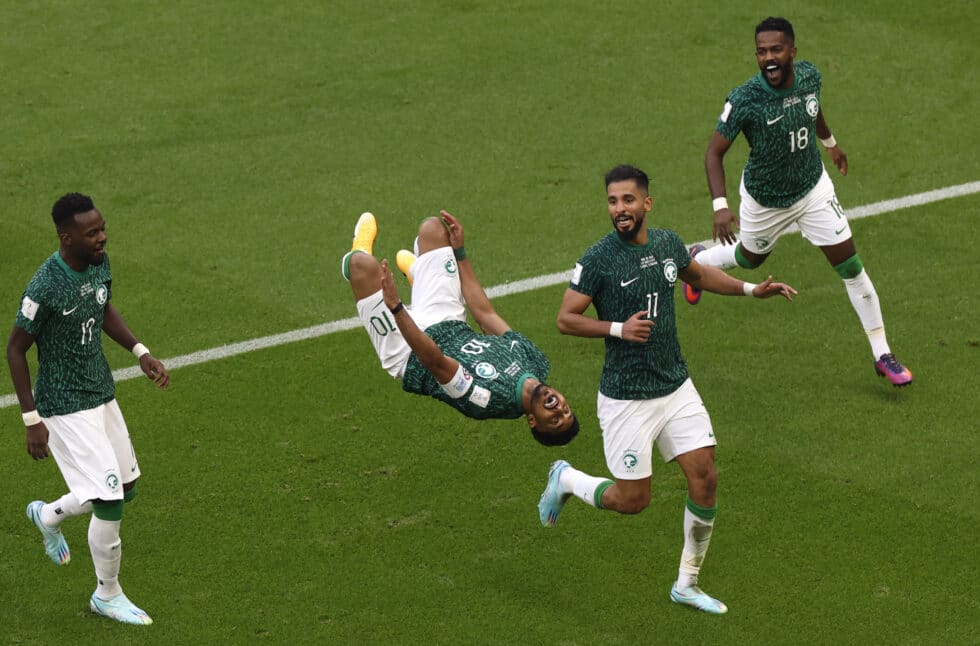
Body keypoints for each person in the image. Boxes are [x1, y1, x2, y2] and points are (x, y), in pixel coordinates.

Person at [538, 165, 796, 615]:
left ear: (646, 204)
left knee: (706, 476)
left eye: (628, 200)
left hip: (674, 385)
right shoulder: (598, 259)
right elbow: (565, 318)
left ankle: (687, 584)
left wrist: (753, 290)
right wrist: (618, 328)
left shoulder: (667, 244)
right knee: (632, 500)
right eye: (613, 201)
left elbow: (698, 276)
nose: (620, 209)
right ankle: (567, 479)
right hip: (626, 398)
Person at [690, 16, 912, 387]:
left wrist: (830, 144)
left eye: (776, 49)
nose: (768, 58)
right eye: (761, 52)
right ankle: (698, 259)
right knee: (749, 258)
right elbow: (713, 154)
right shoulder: (745, 98)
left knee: (851, 268)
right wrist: (720, 207)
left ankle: (882, 353)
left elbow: (813, 109)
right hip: (766, 201)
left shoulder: (810, 76)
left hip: (813, 190)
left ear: (793, 51)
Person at [7, 192, 169, 626]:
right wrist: (32, 421)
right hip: (63, 405)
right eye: (92, 232)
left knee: (125, 489)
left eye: (102, 228)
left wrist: (140, 351)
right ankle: (107, 594)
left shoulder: (99, 263)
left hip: (100, 391)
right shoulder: (44, 285)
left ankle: (47, 515)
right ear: (66, 237)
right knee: (110, 501)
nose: (102, 237)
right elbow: (15, 350)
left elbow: (102, 306)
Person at [340, 209, 579, 445]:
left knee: (362, 266)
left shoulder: (487, 401)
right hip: (449, 322)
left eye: (555, 420)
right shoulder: (536, 363)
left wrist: (397, 308)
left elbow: (435, 361)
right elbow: (486, 314)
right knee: (433, 229)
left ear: (532, 421)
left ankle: (360, 249)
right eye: (566, 411)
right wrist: (460, 252)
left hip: (409, 351)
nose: (559, 409)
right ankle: (417, 274)